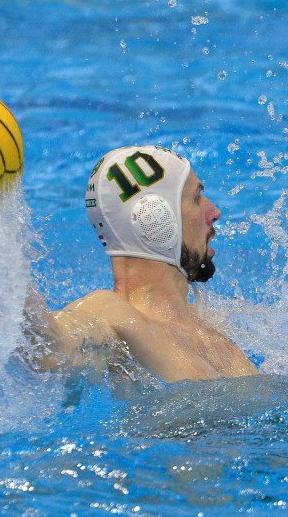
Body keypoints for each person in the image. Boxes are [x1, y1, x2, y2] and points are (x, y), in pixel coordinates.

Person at [23, 145, 259, 382]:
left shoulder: (205, 320)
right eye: (196, 198)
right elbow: (48, 352)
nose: (214, 212)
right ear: (155, 218)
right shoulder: (112, 316)